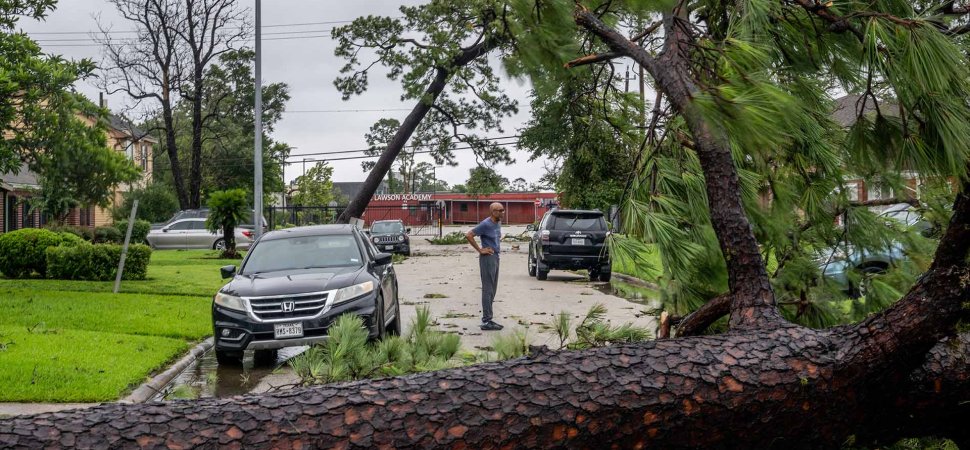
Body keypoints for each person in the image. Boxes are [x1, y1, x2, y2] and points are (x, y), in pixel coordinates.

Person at [465, 202, 505, 331]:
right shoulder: (486, 224)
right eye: (500, 210)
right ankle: (487, 320)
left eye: (503, 210)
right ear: (493, 211)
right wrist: (480, 250)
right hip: (487, 258)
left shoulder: (498, 223)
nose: (502, 212)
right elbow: (469, 235)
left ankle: (489, 318)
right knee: (488, 289)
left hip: (496, 256)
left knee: (493, 289)